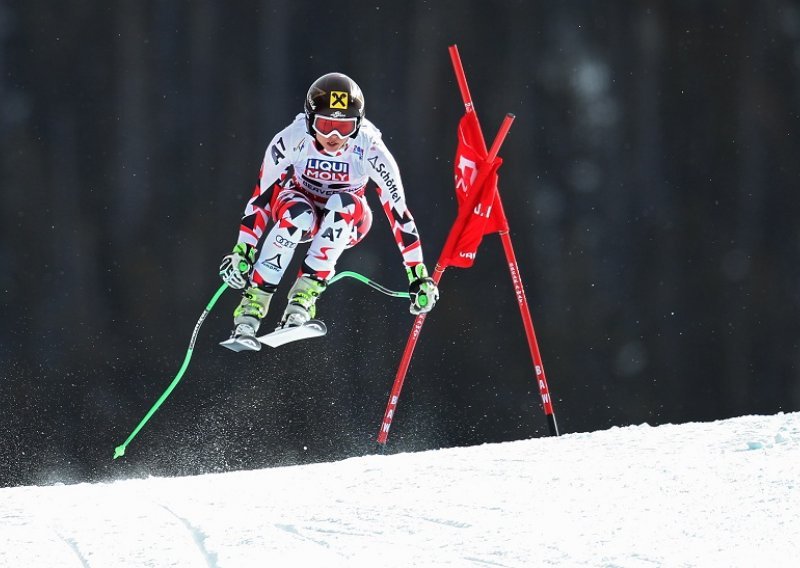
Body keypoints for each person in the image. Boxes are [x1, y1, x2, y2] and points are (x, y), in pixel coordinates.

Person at [218, 72, 439, 351]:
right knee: (299, 214)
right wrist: (243, 250)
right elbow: (261, 198)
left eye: (344, 127)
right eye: (325, 125)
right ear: (310, 121)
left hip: (349, 218)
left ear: (357, 125)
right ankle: (253, 304)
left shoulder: (370, 148)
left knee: (342, 205)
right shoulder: (291, 139)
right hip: (298, 204)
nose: (334, 136)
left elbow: (398, 213)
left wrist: (417, 274)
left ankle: (303, 298)